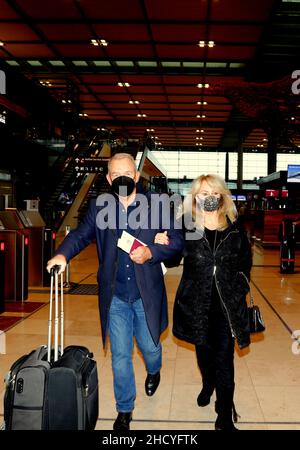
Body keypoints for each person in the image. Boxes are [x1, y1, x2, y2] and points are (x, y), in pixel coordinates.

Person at [46, 153, 184, 431]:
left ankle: (154, 369)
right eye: (116, 174)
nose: (122, 178)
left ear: (136, 176)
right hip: (116, 296)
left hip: (146, 294)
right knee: (120, 356)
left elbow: (177, 242)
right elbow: (81, 234)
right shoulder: (100, 207)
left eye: (128, 173)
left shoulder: (157, 206)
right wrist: (62, 255)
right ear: (109, 179)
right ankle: (125, 410)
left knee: (150, 347)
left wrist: (152, 251)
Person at [155, 174, 252, 431]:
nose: (207, 198)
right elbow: (173, 258)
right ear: (195, 198)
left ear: (221, 196)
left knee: (224, 358)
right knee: (204, 355)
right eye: (202, 193)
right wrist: (162, 243)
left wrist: (239, 286)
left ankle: (223, 413)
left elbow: (245, 262)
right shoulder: (186, 225)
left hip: (225, 305)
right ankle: (207, 382)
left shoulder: (234, 225)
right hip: (196, 303)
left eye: (212, 193)